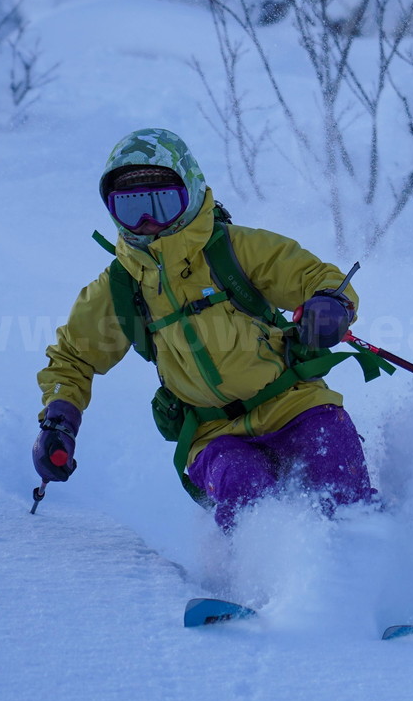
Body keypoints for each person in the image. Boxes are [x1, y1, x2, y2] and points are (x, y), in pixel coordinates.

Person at [32, 128, 384, 529]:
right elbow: (73, 357)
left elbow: (312, 275)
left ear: (192, 191)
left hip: (295, 403)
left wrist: (329, 303)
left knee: (333, 460)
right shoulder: (121, 285)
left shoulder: (235, 249)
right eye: (131, 210)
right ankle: (261, 579)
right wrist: (59, 420)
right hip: (213, 431)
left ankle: (365, 551)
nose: (148, 223)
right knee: (243, 488)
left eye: (162, 203)